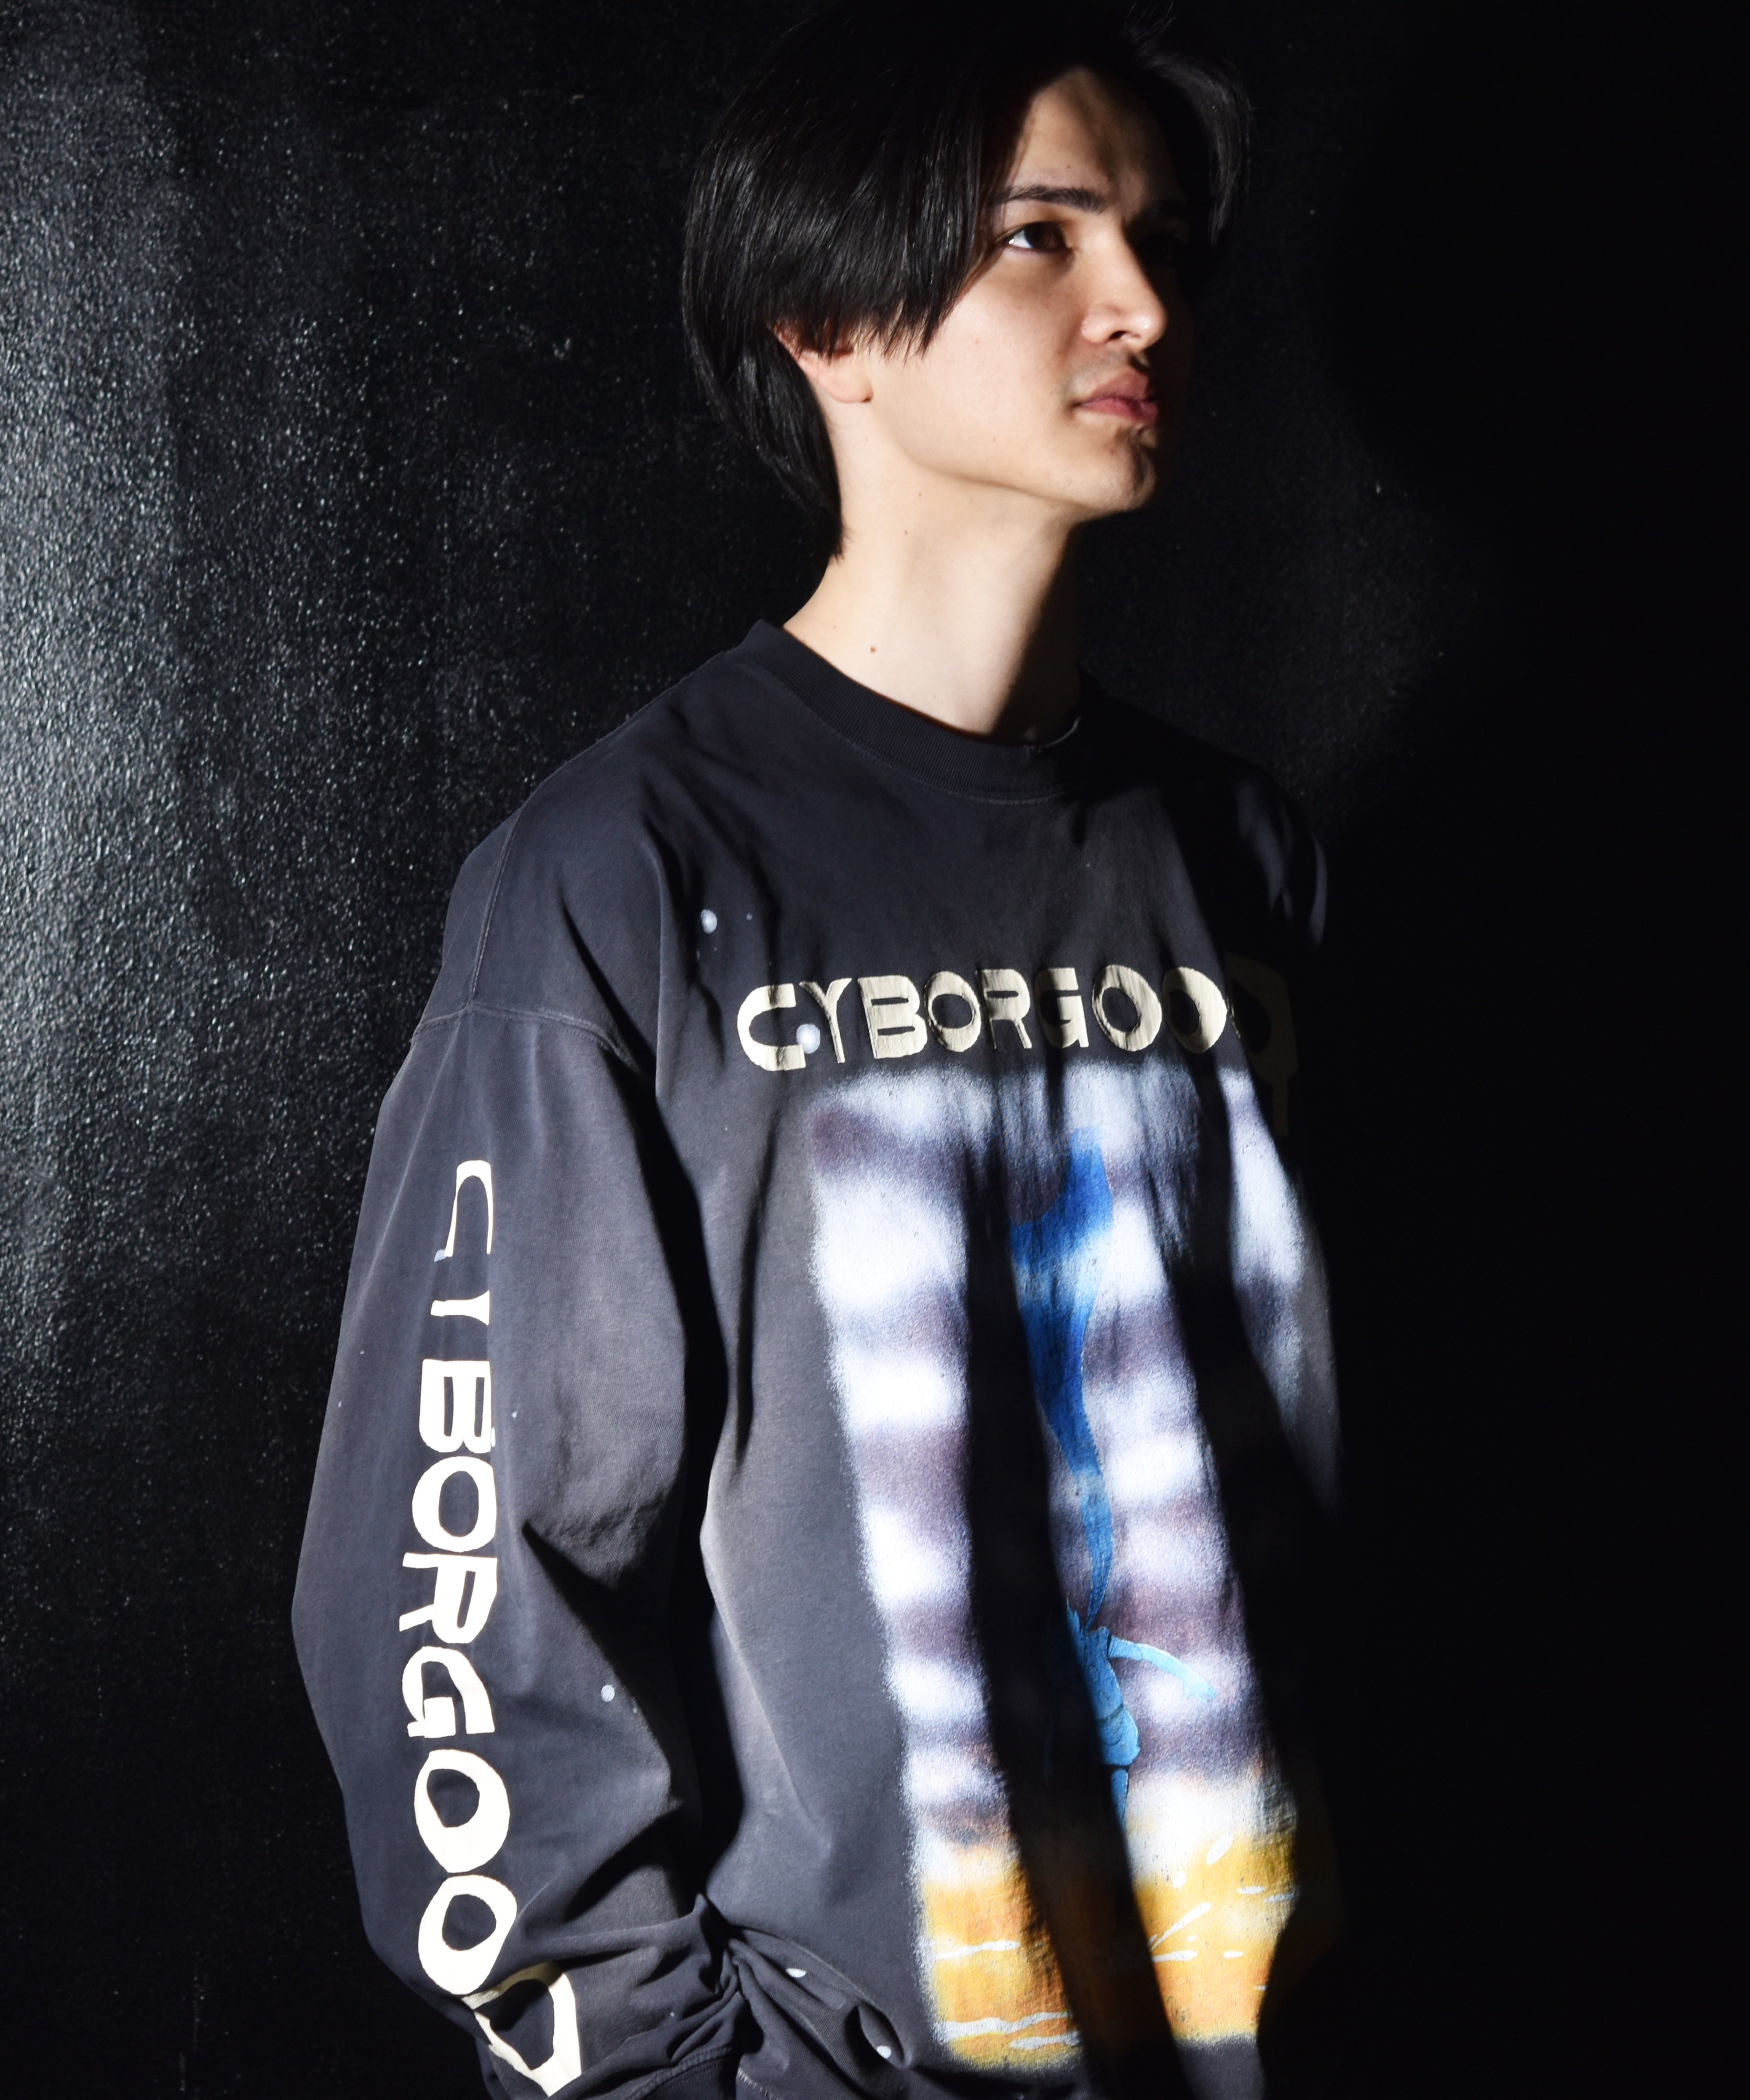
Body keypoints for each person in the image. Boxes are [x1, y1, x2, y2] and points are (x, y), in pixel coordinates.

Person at [293, 5, 1343, 2095]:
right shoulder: (617, 879)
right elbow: (460, 1589)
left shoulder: (1242, 858)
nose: (1141, 304)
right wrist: (674, 2068)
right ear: (829, 323)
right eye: (1042, 235)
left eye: (1153, 241)